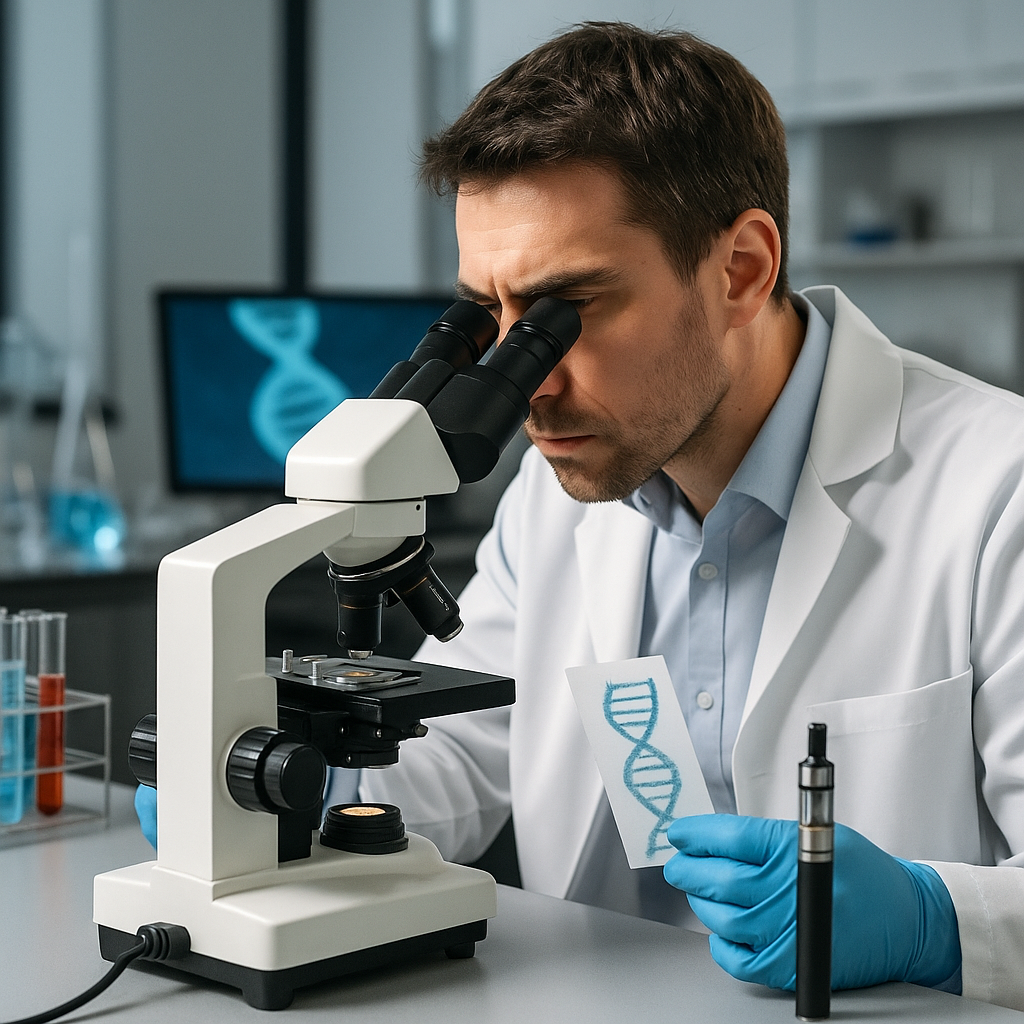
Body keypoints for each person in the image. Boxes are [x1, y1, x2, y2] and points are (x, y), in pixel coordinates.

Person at [140, 22, 1024, 1011]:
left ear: (739, 268)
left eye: (571, 310)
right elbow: (473, 748)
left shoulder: (999, 494)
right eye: (491, 318)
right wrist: (288, 805)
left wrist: (932, 918)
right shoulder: (555, 495)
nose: (528, 382)